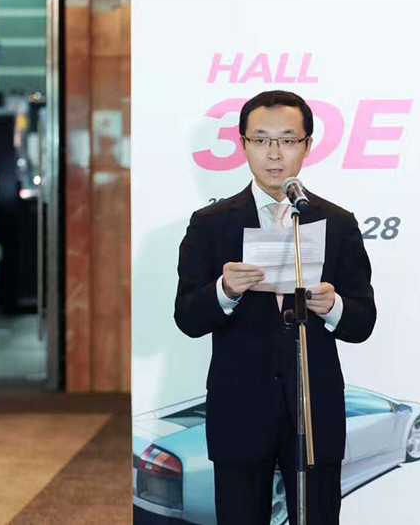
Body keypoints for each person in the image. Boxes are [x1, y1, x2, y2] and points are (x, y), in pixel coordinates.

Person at [174, 90, 376, 525]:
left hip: (314, 408)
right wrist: (224, 290)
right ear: (243, 144)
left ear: (307, 145)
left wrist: (333, 306)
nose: (274, 153)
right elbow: (187, 317)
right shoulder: (210, 224)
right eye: (262, 140)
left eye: (287, 140)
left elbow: (363, 322)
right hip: (240, 407)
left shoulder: (337, 223)